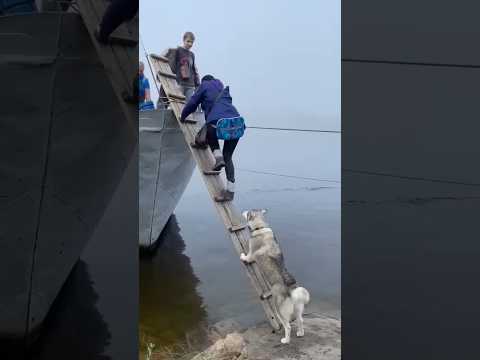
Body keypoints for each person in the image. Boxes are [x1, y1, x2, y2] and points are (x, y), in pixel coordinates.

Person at [180, 75, 242, 202]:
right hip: (237, 123)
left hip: (218, 123)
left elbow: (192, 103)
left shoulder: (204, 86)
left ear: (204, 82)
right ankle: (230, 192)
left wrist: (183, 116)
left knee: (210, 128)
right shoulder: (222, 89)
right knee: (228, 157)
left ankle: (218, 158)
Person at [170, 32, 200, 101]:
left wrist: (197, 84)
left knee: (188, 107)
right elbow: (172, 65)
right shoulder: (178, 50)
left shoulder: (192, 54)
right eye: (188, 41)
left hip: (191, 85)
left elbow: (193, 70)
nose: (190, 44)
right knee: (178, 104)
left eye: (192, 42)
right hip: (180, 83)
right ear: (183, 40)